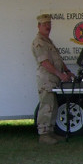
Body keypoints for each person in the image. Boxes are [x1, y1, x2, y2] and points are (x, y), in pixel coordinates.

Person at [32, 13, 74, 144]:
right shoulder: (39, 42)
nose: (47, 26)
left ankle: (50, 132)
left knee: (53, 106)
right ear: (39, 26)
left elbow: (58, 60)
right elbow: (45, 63)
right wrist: (60, 75)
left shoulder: (48, 41)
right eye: (44, 24)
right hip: (46, 79)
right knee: (46, 105)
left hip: (53, 79)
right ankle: (43, 135)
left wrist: (66, 71)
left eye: (49, 24)